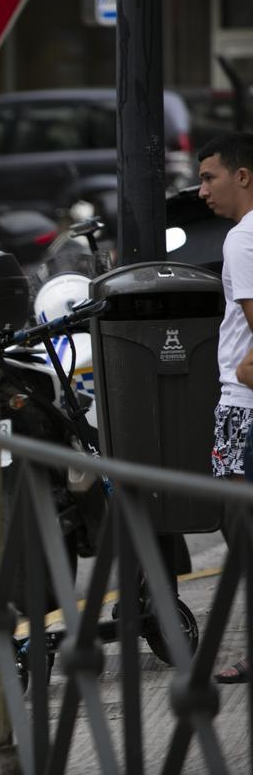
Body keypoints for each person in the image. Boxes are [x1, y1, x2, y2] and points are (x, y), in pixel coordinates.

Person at [199, 131, 253, 685]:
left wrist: (245, 370)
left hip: (244, 406)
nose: (201, 190)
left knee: (243, 534)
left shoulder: (243, 239)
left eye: (209, 176)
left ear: (243, 175)